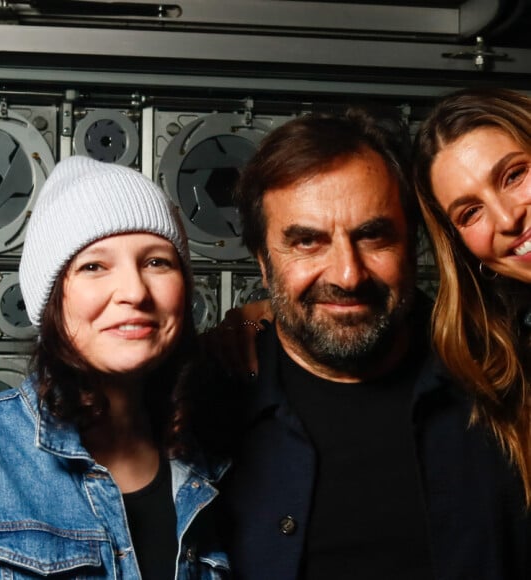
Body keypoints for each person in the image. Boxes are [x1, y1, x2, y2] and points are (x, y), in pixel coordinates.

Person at [218, 111, 530, 580]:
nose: (348, 274)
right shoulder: (204, 401)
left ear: (413, 243)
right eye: (307, 242)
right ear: (264, 263)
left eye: (373, 236)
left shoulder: (503, 373)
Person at [0, 156, 230, 578]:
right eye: (94, 266)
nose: (134, 291)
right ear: (50, 302)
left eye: (157, 262)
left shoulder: (219, 458)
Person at [413, 87, 531, 508]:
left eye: (514, 174)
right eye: (470, 212)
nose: (507, 218)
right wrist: (251, 322)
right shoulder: (496, 368)